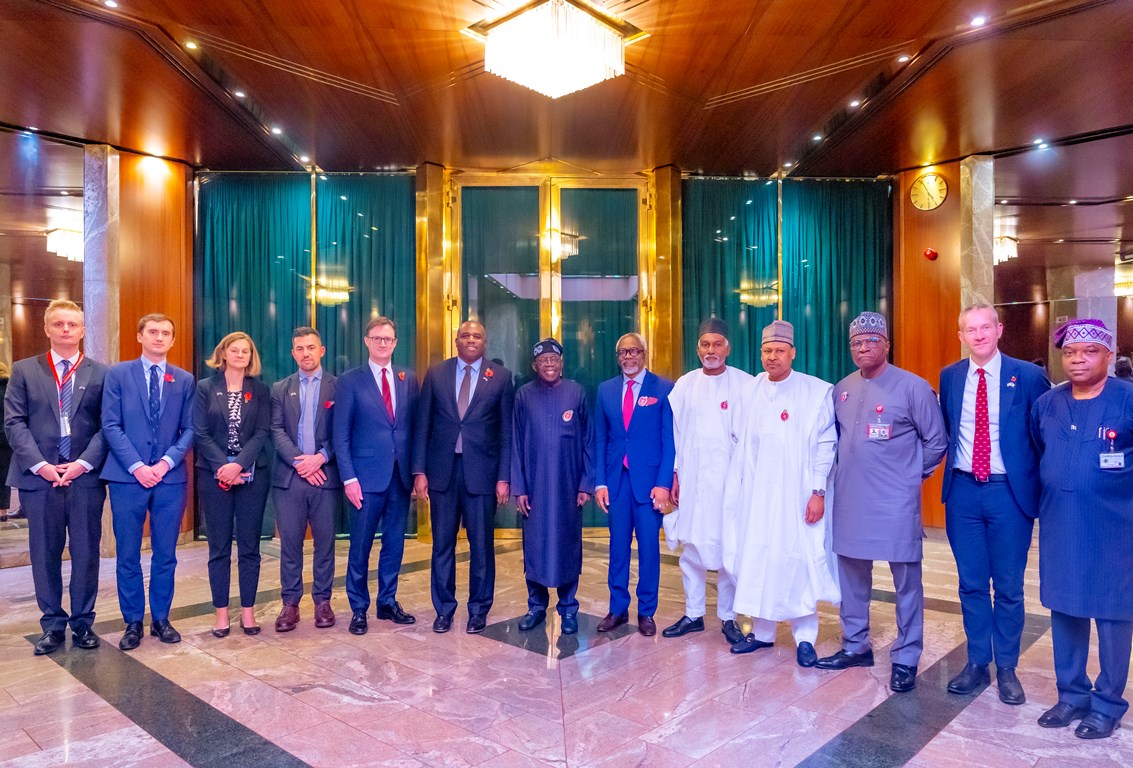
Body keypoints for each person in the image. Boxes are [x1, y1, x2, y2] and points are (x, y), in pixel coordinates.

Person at [815, 311, 947, 693]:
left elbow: (936, 441)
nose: (862, 348)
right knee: (852, 577)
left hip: (895, 502)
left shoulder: (913, 388)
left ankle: (906, 656)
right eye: (856, 342)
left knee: (906, 581)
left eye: (871, 341)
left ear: (886, 344)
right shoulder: (841, 388)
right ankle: (855, 645)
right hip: (851, 499)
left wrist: (909, 476)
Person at [939, 303, 1050, 704]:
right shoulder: (950, 377)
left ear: (999, 330)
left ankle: (1007, 668)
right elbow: (948, 430)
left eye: (986, 327)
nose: (980, 335)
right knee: (970, 583)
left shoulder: (1030, 375)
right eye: (971, 329)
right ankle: (975, 662)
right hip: (964, 491)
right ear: (961, 336)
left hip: (1009, 493)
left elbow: (1043, 434)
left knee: (1008, 587)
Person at [1031, 319, 1133, 740]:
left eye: (1089, 351)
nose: (1077, 359)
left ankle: (1108, 703)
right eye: (1071, 352)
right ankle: (1072, 694)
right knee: (1066, 606)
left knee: (1113, 612)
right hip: (1061, 523)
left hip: (1116, 528)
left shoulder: (1127, 400)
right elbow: (1041, 450)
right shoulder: (1047, 404)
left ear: (1108, 356)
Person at [724, 320, 840, 666]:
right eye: (766, 351)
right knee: (759, 560)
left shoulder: (815, 391)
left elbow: (825, 445)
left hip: (797, 494)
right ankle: (761, 634)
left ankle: (805, 639)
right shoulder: (751, 390)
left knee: (796, 561)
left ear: (793, 353)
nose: (772, 357)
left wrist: (817, 491)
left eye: (778, 351)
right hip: (757, 496)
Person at [4, 300, 108, 654]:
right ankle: (51, 624)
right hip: (39, 479)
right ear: (47, 329)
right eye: (59, 324)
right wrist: (41, 465)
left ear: (82, 330)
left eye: (73, 324)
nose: (66, 330)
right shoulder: (24, 370)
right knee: (44, 552)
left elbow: (107, 426)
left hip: (84, 479)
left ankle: (82, 623)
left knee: (86, 552)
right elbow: (14, 423)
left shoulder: (101, 373)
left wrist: (82, 464)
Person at [413, 320, 513, 634]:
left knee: (481, 545)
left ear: (486, 342)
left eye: (477, 336)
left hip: (482, 475)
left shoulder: (501, 378)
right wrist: (419, 471)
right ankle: (444, 609)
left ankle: (478, 610)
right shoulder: (437, 373)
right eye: (465, 335)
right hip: (442, 472)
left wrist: (504, 477)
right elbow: (422, 425)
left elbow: (507, 433)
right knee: (442, 544)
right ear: (456, 340)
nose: (471, 339)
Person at [102, 313, 195, 650]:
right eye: (152, 332)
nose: (159, 337)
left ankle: (160, 619)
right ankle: (132, 623)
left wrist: (167, 462)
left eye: (166, 333)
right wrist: (138, 466)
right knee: (128, 553)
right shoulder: (118, 374)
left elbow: (190, 429)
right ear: (139, 336)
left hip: (170, 481)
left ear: (172, 340)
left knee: (165, 554)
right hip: (128, 478)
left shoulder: (184, 379)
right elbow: (110, 425)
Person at [661, 318, 751, 646]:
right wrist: (674, 475)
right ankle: (693, 613)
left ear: (727, 347)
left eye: (717, 344)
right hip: (693, 482)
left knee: (729, 549)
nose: (710, 351)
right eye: (704, 345)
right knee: (693, 549)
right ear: (697, 348)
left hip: (730, 484)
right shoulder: (684, 385)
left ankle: (728, 617)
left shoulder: (745, 385)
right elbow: (675, 435)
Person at [335, 317, 418, 635]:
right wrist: (349, 478)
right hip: (365, 478)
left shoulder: (407, 377)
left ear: (395, 343)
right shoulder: (350, 380)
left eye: (389, 339)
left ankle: (387, 601)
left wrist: (415, 471)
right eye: (378, 338)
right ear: (366, 341)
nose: (383, 344)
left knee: (394, 543)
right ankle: (358, 607)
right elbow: (341, 434)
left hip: (399, 477)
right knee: (360, 546)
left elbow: (411, 427)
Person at [593, 332, 675, 637]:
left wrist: (664, 483)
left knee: (650, 549)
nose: (629, 357)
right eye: (623, 353)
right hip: (617, 481)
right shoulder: (606, 390)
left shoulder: (664, 388)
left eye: (634, 351)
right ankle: (617, 608)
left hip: (649, 483)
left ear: (644, 353)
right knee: (617, 547)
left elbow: (669, 441)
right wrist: (599, 482)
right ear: (618, 358)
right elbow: (600, 438)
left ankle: (646, 611)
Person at [511, 338, 592, 635]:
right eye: (543, 360)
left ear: (562, 363)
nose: (549, 364)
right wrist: (519, 487)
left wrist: (586, 483)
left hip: (569, 488)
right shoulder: (523, 396)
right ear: (534, 366)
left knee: (568, 545)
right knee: (535, 546)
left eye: (553, 360)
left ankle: (568, 608)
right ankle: (535, 605)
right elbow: (516, 444)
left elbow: (588, 441)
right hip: (534, 488)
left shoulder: (576, 393)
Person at [193, 332, 271, 637]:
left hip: (253, 476)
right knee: (219, 546)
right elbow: (200, 433)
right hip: (214, 476)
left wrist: (239, 464)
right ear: (223, 353)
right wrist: (223, 467)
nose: (241, 355)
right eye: (235, 350)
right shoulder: (205, 388)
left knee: (250, 546)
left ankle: (248, 613)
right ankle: (221, 615)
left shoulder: (260, 390)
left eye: (246, 351)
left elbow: (262, 432)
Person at [270, 327, 340, 633]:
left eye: (311, 347)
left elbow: (345, 432)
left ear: (321, 350)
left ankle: (323, 602)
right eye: (299, 348)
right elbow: (275, 430)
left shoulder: (339, 387)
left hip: (326, 476)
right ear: (292, 353)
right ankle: (291, 603)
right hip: (290, 477)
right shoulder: (279, 389)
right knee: (290, 544)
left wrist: (320, 458)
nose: (305, 353)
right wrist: (302, 461)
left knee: (325, 543)